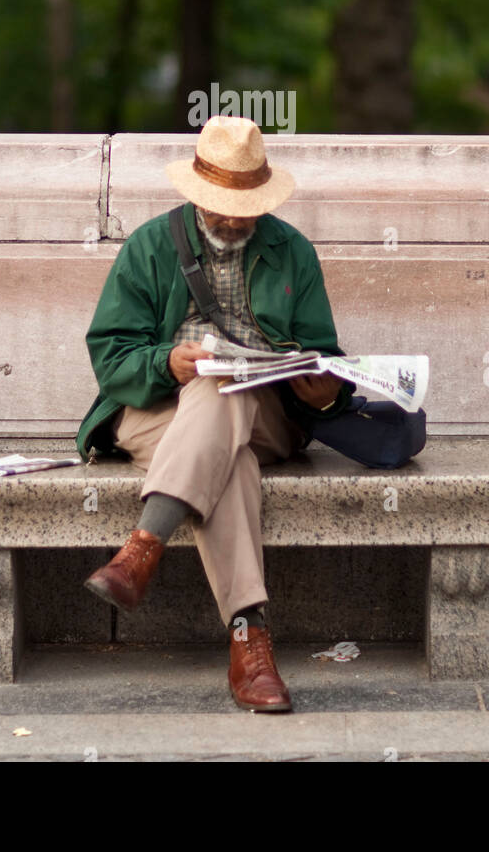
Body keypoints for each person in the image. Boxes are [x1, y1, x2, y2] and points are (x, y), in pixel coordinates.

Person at [76, 114, 351, 713]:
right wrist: (167, 363)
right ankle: (250, 644)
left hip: (263, 415)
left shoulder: (292, 252)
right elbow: (110, 357)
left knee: (223, 389)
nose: (233, 217)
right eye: (222, 203)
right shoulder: (150, 245)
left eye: (244, 205)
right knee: (230, 458)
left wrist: (318, 388)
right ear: (197, 194)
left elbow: (327, 361)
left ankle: (142, 550)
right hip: (157, 413)